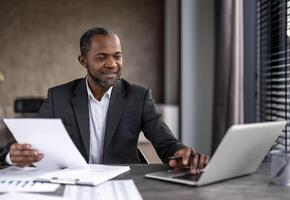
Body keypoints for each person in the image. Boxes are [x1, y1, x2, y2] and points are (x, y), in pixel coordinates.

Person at [2, 27, 208, 174]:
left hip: (124, 182)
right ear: (83, 61)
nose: (112, 64)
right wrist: (12, 155)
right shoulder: (59, 97)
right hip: (74, 185)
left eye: (117, 56)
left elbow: (167, 144)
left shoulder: (138, 96)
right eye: (101, 57)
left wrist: (181, 155)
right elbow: (24, 142)